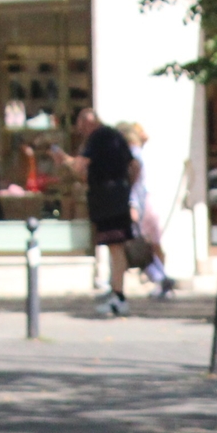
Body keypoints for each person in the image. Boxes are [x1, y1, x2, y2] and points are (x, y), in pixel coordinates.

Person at [53, 106, 136, 316]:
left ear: (87, 123)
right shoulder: (116, 136)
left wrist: (64, 160)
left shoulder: (96, 138)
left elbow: (80, 169)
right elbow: (135, 166)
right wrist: (127, 189)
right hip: (118, 195)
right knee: (115, 247)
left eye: (81, 126)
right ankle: (117, 291)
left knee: (114, 247)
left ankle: (119, 296)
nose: (80, 130)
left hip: (105, 198)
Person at [120, 121, 175, 298]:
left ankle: (160, 277)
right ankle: (161, 278)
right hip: (146, 202)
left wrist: (132, 205)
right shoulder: (138, 152)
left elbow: (135, 185)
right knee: (147, 245)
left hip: (142, 205)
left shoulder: (133, 155)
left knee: (140, 247)